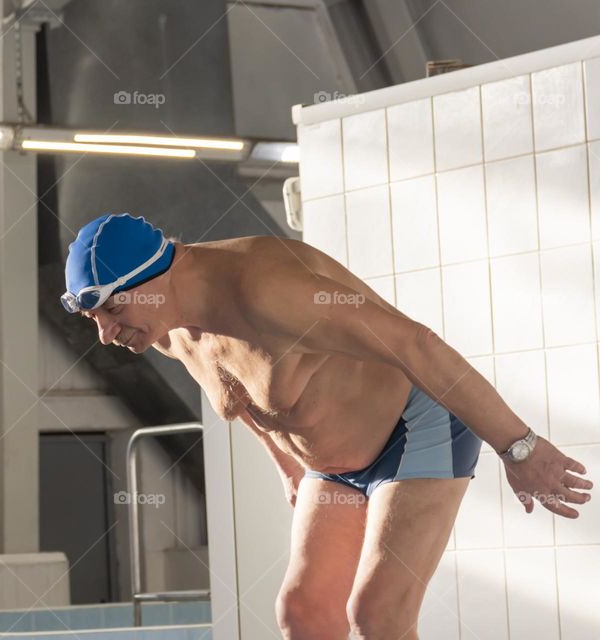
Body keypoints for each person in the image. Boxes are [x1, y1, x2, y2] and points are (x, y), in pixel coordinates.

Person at [60, 212, 593, 639]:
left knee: (377, 617)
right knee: (304, 614)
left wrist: (520, 448)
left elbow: (415, 343)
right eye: (95, 320)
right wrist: (288, 467)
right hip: (332, 466)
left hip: (415, 424)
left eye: (112, 311)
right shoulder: (167, 327)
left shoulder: (266, 291)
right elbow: (239, 397)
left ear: (154, 278)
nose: (106, 335)